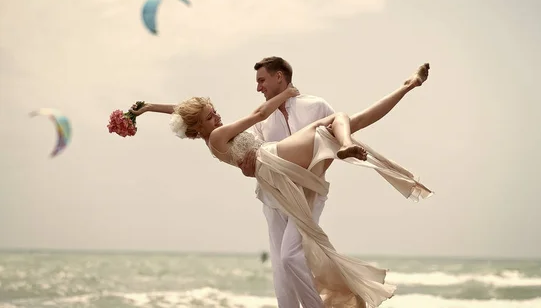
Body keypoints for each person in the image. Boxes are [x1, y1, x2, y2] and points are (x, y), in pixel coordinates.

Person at [131, 62, 433, 307]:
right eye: (211, 116)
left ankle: (403, 90)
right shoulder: (218, 137)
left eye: (213, 111)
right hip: (273, 162)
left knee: (344, 120)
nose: (217, 115)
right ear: (200, 126)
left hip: (278, 168)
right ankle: (346, 141)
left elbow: (183, 112)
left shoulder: (212, 132)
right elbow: (259, 114)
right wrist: (285, 95)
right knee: (339, 120)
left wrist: (147, 108)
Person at [239, 57, 336, 308]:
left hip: (307, 193)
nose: (258, 87)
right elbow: (252, 162)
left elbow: (334, 141)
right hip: (272, 198)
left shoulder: (316, 105)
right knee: (281, 274)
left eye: (262, 80)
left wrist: (315, 173)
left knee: (291, 257)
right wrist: (248, 168)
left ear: (279, 76)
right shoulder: (260, 119)